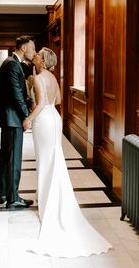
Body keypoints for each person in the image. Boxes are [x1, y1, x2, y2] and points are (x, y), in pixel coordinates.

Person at [23, 47, 113, 257]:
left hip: (43, 121)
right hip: (54, 119)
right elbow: (57, 102)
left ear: (43, 62)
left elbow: (42, 103)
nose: (34, 55)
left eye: (38, 54)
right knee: (54, 160)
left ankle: (48, 204)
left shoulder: (38, 78)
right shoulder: (53, 78)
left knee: (45, 162)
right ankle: (52, 199)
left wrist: (28, 119)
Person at [0, 35, 36, 209]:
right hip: (12, 118)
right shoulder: (12, 64)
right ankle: (13, 198)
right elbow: (17, 94)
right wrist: (27, 116)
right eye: (32, 49)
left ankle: (3, 193)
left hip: (8, 118)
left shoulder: (13, 63)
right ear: (24, 48)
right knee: (13, 159)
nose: (34, 53)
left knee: (5, 156)